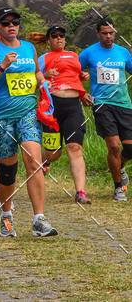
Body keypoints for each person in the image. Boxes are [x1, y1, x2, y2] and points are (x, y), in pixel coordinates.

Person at [0, 7, 58, 238]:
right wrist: (1, 67)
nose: (11, 26)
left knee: (34, 160)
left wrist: (43, 84)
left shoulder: (29, 48)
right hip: (0, 117)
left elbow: (36, 72)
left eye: (15, 22)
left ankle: (39, 220)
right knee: (7, 170)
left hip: (28, 114)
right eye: (5, 23)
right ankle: (7, 215)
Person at [79, 17, 132, 202]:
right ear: (97, 33)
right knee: (114, 146)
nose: (108, 36)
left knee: (130, 148)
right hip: (102, 104)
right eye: (104, 33)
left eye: (111, 33)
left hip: (124, 104)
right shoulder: (88, 53)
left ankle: (120, 166)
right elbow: (73, 72)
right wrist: (81, 92)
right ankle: (118, 187)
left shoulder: (123, 52)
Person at [38, 24, 93, 203]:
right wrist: (45, 75)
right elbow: (33, 78)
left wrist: (83, 82)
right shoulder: (43, 58)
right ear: (49, 40)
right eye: (55, 36)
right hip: (52, 107)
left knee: (74, 147)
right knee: (54, 152)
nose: (59, 38)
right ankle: (44, 162)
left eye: (62, 35)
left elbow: (75, 77)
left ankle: (81, 192)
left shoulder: (73, 56)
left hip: (73, 106)